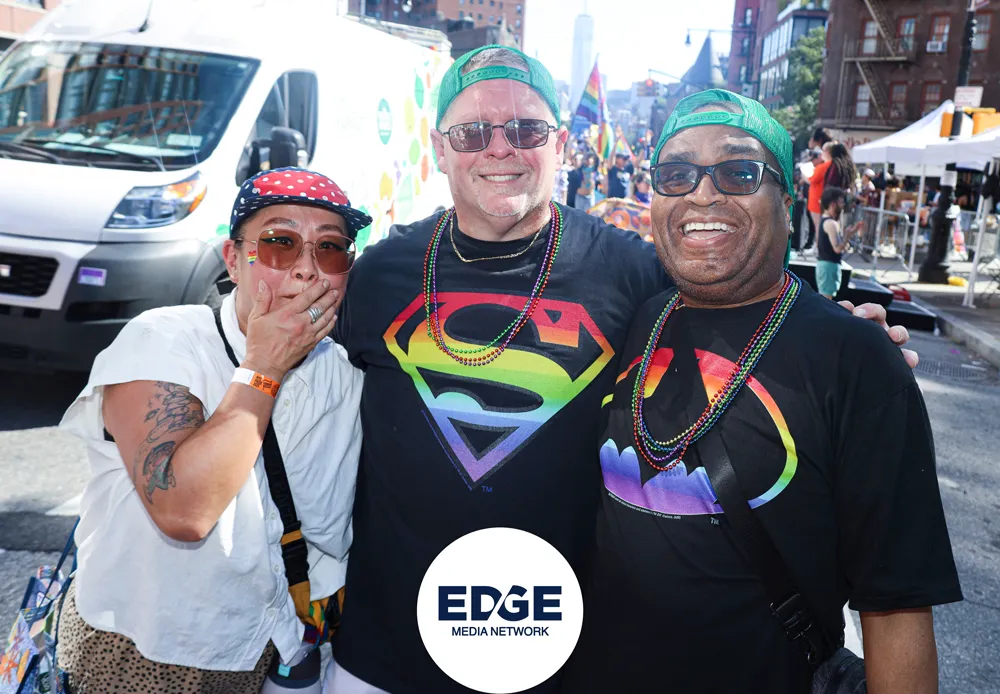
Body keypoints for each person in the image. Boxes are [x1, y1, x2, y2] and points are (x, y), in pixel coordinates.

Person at [327, 47, 918, 694]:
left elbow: (739, 300)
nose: (499, 148)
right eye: (471, 132)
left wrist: (839, 332)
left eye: (526, 129)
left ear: (561, 146)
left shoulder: (634, 272)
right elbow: (306, 388)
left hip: (556, 659)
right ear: (441, 148)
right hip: (383, 655)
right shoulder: (379, 273)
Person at [563, 89, 961, 694]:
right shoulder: (638, 317)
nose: (702, 193)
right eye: (676, 173)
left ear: (788, 200)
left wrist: (860, 344)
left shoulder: (856, 358)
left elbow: (897, 606)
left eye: (738, 171)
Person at [57, 167, 366, 692]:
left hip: (278, 645)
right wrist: (265, 366)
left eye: (331, 249)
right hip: (150, 653)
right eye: (280, 243)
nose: (306, 269)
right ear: (233, 260)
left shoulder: (343, 371)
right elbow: (185, 510)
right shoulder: (163, 341)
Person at [817, 186, 865, 298]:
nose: (843, 205)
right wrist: (847, 236)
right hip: (828, 266)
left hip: (827, 266)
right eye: (841, 202)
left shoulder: (828, 221)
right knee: (826, 301)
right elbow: (837, 249)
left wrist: (850, 234)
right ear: (833, 204)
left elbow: (840, 246)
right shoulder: (831, 223)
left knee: (826, 300)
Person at [805, 147, 830, 250]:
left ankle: (818, 248)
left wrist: (804, 176)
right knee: (818, 226)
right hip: (817, 201)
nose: (812, 161)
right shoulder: (822, 167)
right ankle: (818, 248)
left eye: (813, 159)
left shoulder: (822, 167)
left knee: (818, 226)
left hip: (817, 202)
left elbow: (812, 180)